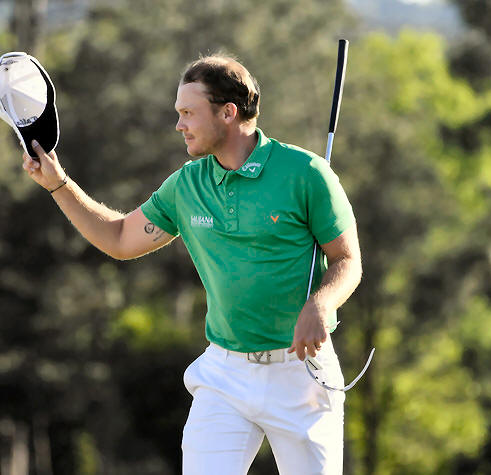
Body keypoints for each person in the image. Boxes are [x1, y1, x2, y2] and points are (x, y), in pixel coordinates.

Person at [22, 53, 362, 475]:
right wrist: (58, 184)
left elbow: (347, 259)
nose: (179, 125)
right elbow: (121, 239)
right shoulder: (187, 184)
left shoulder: (306, 172)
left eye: (188, 113)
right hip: (225, 375)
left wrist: (321, 305)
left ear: (228, 112)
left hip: (300, 374)